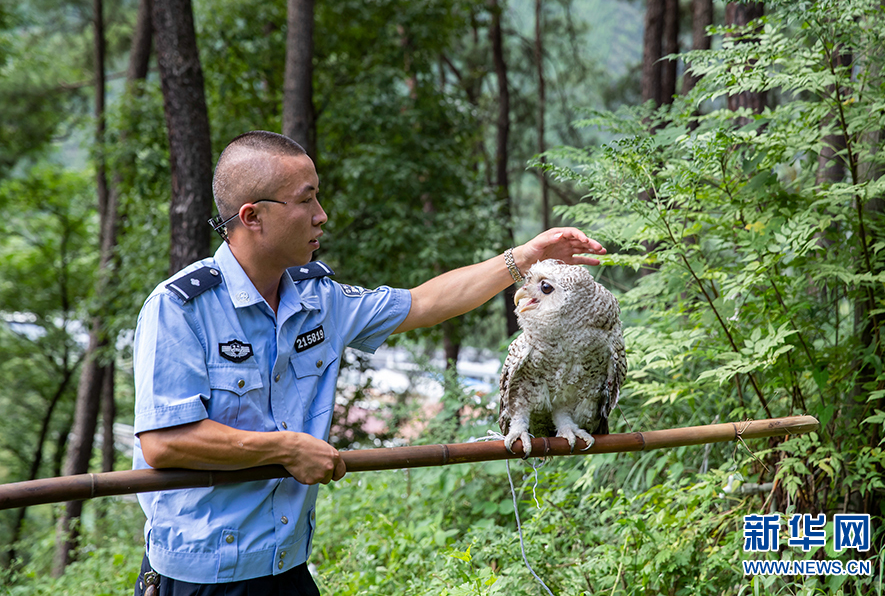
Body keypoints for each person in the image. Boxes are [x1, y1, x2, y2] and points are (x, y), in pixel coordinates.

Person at [132, 130, 606, 596]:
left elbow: (424, 303)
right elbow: (165, 442)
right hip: (200, 577)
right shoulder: (181, 308)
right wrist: (284, 448)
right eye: (307, 200)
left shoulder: (319, 299)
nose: (322, 216)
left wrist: (524, 257)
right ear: (252, 216)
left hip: (286, 566)